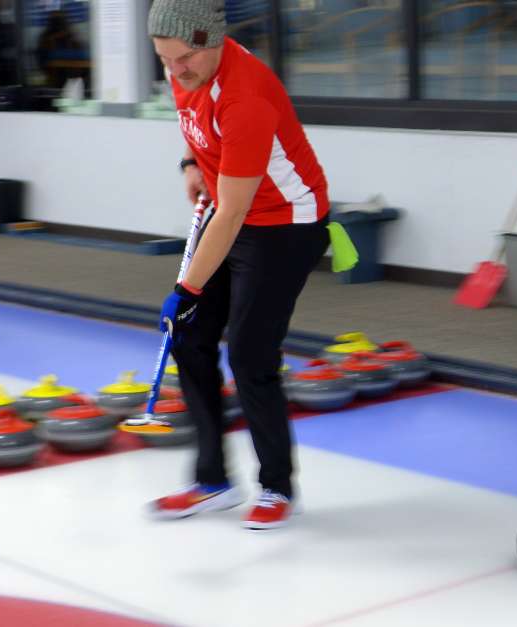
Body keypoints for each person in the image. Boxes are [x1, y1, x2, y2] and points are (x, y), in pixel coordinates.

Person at [146, 0, 330, 530]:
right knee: (189, 337)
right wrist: (192, 162)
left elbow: (231, 215)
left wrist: (186, 289)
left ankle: (278, 486)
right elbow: (192, 119)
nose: (175, 71)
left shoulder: (245, 96)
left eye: (183, 59)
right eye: (164, 60)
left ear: (211, 40)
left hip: (285, 224)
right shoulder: (186, 65)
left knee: (250, 353)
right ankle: (212, 481)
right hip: (235, 207)